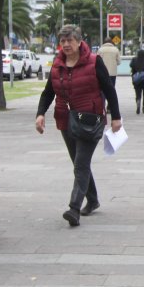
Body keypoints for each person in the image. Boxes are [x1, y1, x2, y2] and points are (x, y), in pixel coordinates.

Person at [34, 25, 122, 227]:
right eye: (62, 41)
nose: (66, 44)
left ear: (79, 41)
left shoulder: (94, 62)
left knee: (81, 164)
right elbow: (48, 92)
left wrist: (116, 117)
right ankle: (92, 200)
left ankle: (74, 208)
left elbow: (109, 89)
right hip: (65, 119)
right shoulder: (57, 64)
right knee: (78, 163)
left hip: (89, 120)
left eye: (70, 40)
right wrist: (40, 114)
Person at [129, 48, 144, 114]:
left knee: (138, 94)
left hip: (136, 79)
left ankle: (138, 102)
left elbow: (130, 65)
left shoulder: (134, 59)